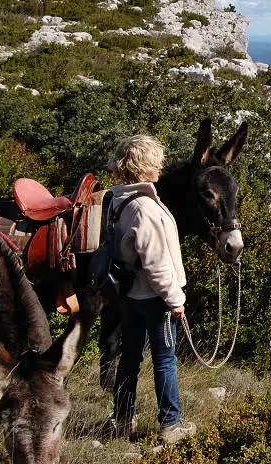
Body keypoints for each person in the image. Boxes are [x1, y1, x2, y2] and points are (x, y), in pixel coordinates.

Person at [103, 134, 196, 444]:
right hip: (154, 299)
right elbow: (156, 264)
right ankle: (171, 426)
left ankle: (122, 419)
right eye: (156, 160)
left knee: (130, 358)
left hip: (130, 296)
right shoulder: (145, 208)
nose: (161, 165)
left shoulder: (119, 199)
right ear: (144, 166)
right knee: (165, 359)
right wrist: (175, 299)